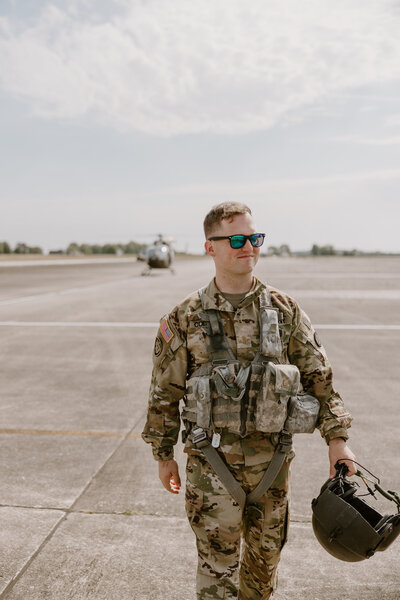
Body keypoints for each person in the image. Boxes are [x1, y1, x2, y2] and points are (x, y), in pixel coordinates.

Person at [142, 202, 356, 600]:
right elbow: (163, 392)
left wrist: (338, 442)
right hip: (211, 469)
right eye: (236, 239)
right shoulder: (186, 317)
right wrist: (163, 453)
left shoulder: (285, 311)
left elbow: (319, 378)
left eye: (254, 238)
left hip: (272, 471)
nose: (248, 247)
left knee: (262, 574)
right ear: (211, 247)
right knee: (216, 572)